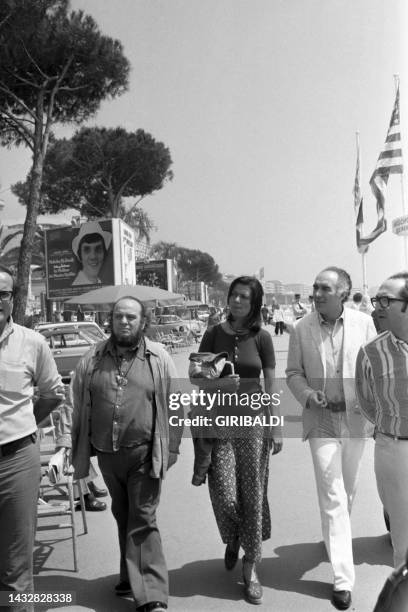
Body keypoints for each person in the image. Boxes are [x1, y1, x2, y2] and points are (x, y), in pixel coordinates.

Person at [64, 296, 183, 612]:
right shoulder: (92, 358)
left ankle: (152, 595)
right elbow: (74, 404)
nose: (124, 322)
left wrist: (172, 448)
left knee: (142, 517)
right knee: (123, 514)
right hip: (106, 455)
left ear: (143, 322)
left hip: (144, 453)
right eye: (119, 316)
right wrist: (68, 447)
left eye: (131, 317)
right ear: (110, 320)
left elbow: (177, 403)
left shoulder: (158, 357)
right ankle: (130, 576)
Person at [286, 266, 376, 610]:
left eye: (325, 288)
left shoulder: (364, 323)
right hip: (321, 421)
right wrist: (308, 394)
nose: (317, 293)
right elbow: (293, 372)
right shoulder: (301, 327)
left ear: (343, 292)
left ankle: (334, 539)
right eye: (315, 288)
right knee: (333, 494)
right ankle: (343, 578)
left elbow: (372, 367)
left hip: (356, 420)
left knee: (346, 490)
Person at [197, 276, 282, 605]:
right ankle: (233, 536)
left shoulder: (262, 337)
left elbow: (271, 385)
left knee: (253, 494)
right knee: (225, 494)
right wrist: (219, 384)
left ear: (254, 303)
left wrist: (275, 426)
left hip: (254, 423)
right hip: (220, 422)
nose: (236, 302)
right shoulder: (213, 333)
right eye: (233, 296)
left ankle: (251, 567)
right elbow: (198, 379)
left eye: (244, 298)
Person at [0, 265, 63, 610]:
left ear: (13, 298)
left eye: (3, 293)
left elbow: (53, 393)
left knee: (15, 564)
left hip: (16, 462)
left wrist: (26, 422)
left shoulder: (32, 342)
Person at [355, 272, 408, 569]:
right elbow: (365, 400)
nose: (378, 306)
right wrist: (389, 432)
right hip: (394, 451)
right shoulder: (371, 353)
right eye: (378, 299)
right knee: (403, 542)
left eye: (387, 299)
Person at [71, 221, 112, 286]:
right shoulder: (78, 285)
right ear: (79, 256)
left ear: (104, 254)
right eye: (87, 250)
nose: (93, 256)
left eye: (98, 249)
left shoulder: (98, 282)